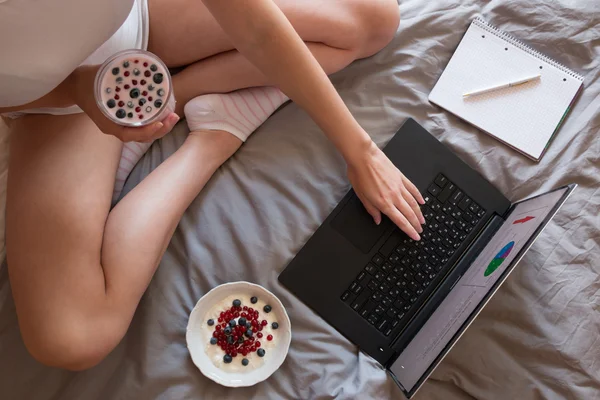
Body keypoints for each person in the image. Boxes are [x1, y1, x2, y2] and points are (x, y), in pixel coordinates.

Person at [0, 0, 424, 370]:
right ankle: (213, 138)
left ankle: (172, 100)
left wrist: (361, 151)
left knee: (373, 18)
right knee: (71, 338)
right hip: (57, 99)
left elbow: (256, 25)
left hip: (140, 18)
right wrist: (78, 88)